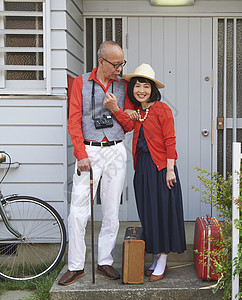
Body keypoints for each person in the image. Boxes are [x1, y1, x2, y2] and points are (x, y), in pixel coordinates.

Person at [58, 41, 134, 285]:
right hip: (89, 151)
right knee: (79, 211)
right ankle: (76, 265)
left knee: (112, 210)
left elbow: (130, 125)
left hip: (115, 150)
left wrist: (115, 108)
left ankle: (105, 261)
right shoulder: (81, 82)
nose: (119, 69)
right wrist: (80, 153)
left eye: (122, 64)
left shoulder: (124, 86)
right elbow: (74, 121)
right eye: (115, 64)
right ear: (100, 61)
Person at [104, 63, 186, 282]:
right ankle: (156, 254)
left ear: (153, 89)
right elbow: (126, 126)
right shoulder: (139, 112)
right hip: (142, 169)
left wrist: (170, 170)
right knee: (149, 213)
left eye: (146, 87)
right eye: (137, 86)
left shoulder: (162, 109)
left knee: (163, 212)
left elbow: (170, 140)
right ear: (133, 90)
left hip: (161, 169)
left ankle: (163, 259)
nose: (141, 90)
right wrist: (116, 110)